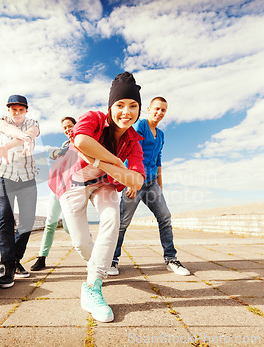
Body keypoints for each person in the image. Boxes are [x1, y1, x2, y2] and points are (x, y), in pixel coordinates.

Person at [48, 72, 145, 322]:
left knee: (112, 218)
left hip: (104, 184)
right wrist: (117, 163)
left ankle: (92, 288)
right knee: (81, 242)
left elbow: (138, 180)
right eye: (120, 105)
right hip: (74, 181)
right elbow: (81, 140)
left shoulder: (134, 141)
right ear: (110, 107)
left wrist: (103, 163)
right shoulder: (93, 118)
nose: (127, 112)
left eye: (133, 106)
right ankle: (98, 266)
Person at [107, 96, 190, 277]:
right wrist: (131, 181)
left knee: (165, 217)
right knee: (122, 223)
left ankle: (171, 258)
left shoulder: (161, 135)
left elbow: (158, 161)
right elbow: (131, 152)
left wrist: (160, 186)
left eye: (163, 110)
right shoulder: (141, 126)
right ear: (149, 109)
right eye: (157, 109)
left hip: (152, 184)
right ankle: (112, 260)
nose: (160, 113)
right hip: (135, 182)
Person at [0, 94, 40, 288]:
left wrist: (16, 141)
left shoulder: (33, 122)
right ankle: (8, 265)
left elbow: (32, 133)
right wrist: (22, 137)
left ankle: (16, 258)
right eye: (13, 109)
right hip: (4, 176)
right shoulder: (1, 121)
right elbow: (5, 128)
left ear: (26, 110)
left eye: (21, 109)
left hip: (27, 177)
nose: (17, 113)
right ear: (8, 110)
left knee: (27, 221)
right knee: (5, 217)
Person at [30, 116, 76, 271]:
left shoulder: (82, 141)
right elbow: (54, 155)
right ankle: (41, 257)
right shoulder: (65, 144)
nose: (67, 129)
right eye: (65, 128)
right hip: (56, 188)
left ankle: (90, 249)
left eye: (70, 126)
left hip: (71, 190)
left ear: (76, 126)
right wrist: (56, 152)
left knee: (70, 228)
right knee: (50, 223)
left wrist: (58, 152)